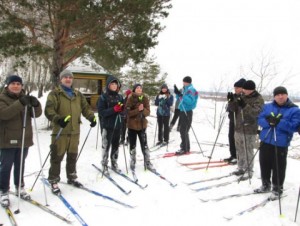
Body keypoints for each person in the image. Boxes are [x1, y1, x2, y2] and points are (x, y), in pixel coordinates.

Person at [45, 69, 96, 194]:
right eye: (65, 77)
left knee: (72, 156)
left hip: (74, 132)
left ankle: (72, 176)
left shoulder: (78, 95)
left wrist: (91, 117)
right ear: (61, 79)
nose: (68, 79)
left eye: (70, 77)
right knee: (57, 157)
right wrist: (58, 119)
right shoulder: (55, 94)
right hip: (60, 131)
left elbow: (85, 108)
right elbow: (49, 110)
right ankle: (54, 180)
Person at [0, 75, 42, 207]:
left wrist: (36, 105)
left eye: (18, 83)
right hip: (7, 139)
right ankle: (4, 191)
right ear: (7, 85)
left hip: (24, 138)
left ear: (22, 86)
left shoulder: (25, 98)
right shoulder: (2, 98)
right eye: (13, 83)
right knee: (6, 166)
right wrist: (21, 103)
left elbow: (37, 114)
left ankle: (20, 187)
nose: (16, 86)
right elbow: (4, 114)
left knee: (20, 164)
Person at [254, 86, 300, 196]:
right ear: (274, 96)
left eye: (282, 94)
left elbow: (294, 126)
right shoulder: (267, 106)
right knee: (264, 164)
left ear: (286, 95)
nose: (280, 96)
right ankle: (265, 184)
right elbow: (260, 119)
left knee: (278, 167)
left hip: (281, 143)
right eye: (277, 95)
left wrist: (279, 122)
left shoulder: (294, 109)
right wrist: (268, 122)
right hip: (266, 140)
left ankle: (277, 188)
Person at [227, 80, 264, 180]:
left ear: (252, 89)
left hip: (249, 128)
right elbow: (234, 109)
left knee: (248, 150)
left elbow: (256, 112)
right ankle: (241, 167)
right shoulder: (242, 96)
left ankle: (249, 170)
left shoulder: (258, 98)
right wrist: (231, 101)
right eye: (244, 89)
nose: (245, 91)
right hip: (238, 127)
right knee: (239, 149)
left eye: (248, 90)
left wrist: (244, 106)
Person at [98, 76, 124, 175]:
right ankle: (104, 165)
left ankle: (114, 163)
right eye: (112, 84)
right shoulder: (103, 97)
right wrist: (114, 109)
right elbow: (101, 112)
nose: (114, 86)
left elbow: (123, 109)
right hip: (107, 126)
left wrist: (123, 111)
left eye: (115, 84)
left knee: (116, 146)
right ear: (108, 85)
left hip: (118, 125)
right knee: (106, 146)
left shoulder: (120, 97)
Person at [126, 84, 155, 171]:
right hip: (132, 126)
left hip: (142, 126)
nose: (139, 89)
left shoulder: (145, 98)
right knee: (132, 145)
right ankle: (132, 161)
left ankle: (147, 161)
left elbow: (148, 112)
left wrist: (143, 110)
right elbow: (128, 113)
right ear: (134, 90)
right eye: (137, 88)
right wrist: (137, 110)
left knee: (144, 145)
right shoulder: (130, 98)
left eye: (140, 88)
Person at [174, 76, 199, 155]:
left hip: (187, 111)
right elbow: (180, 99)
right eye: (183, 82)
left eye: (184, 82)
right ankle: (184, 147)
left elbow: (190, 101)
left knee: (184, 130)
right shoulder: (185, 89)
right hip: (182, 110)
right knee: (183, 130)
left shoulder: (191, 90)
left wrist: (181, 95)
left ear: (188, 82)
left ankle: (185, 148)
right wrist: (178, 93)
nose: (183, 83)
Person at [224, 78, 246, 164]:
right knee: (231, 137)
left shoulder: (244, 97)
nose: (235, 89)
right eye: (235, 88)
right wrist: (229, 101)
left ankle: (238, 157)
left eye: (237, 87)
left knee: (238, 140)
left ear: (242, 88)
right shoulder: (234, 95)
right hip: (232, 120)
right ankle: (233, 155)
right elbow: (230, 107)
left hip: (240, 122)